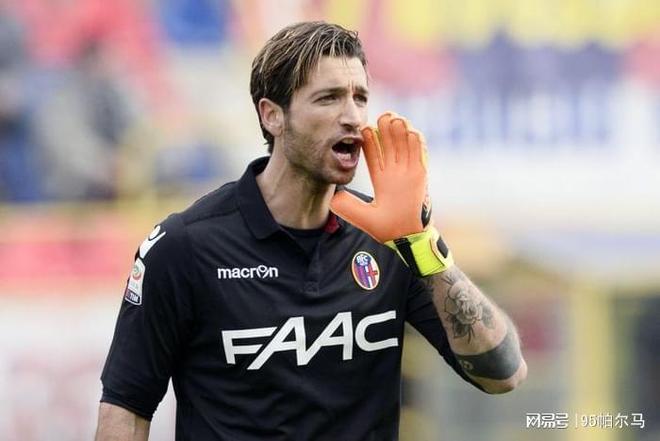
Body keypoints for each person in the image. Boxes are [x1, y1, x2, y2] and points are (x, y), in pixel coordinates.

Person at [95, 21, 527, 441]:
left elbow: (503, 373)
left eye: (360, 98)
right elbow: (126, 409)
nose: (353, 117)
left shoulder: (393, 240)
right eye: (329, 98)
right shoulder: (185, 246)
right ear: (272, 116)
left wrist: (423, 246)